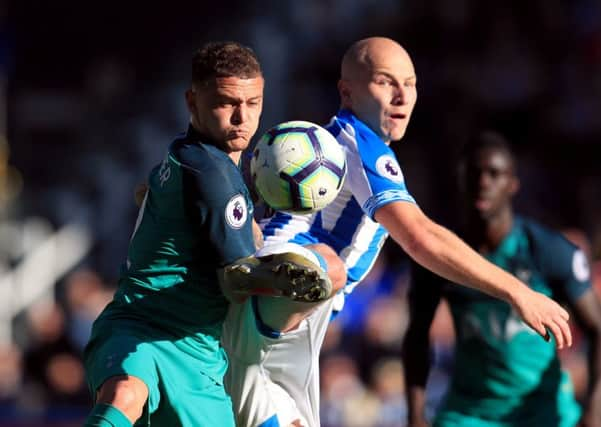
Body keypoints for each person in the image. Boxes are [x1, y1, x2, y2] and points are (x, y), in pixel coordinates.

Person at [221, 37, 573, 427]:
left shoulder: (333, 146)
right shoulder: (359, 143)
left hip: (291, 330)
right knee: (329, 267)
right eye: (386, 82)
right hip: (277, 314)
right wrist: (517, 291)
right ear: (347, 91)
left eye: (411, 83)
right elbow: (420, 238)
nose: (403, 95)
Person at [82, 41, 334, 427]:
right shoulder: (213, 174)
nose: (241, 118)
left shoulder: (187, 154)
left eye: (253, 103)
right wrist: (284, 279)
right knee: (125, 393)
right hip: (140, 327)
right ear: (192, 100)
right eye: (226, 103)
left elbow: (150, 192)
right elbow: (235, 279)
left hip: (199, 355)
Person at [402, 131, 601, 427]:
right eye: (475, 172)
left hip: (544, 411)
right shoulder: (440, 255)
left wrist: (594, 412)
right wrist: (415, 415)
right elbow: (417, 335)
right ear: (460, 179)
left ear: (513, 184)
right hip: (469, 413)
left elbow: (597, 330)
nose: (483, 182)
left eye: (495, 174)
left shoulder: (550, 251)